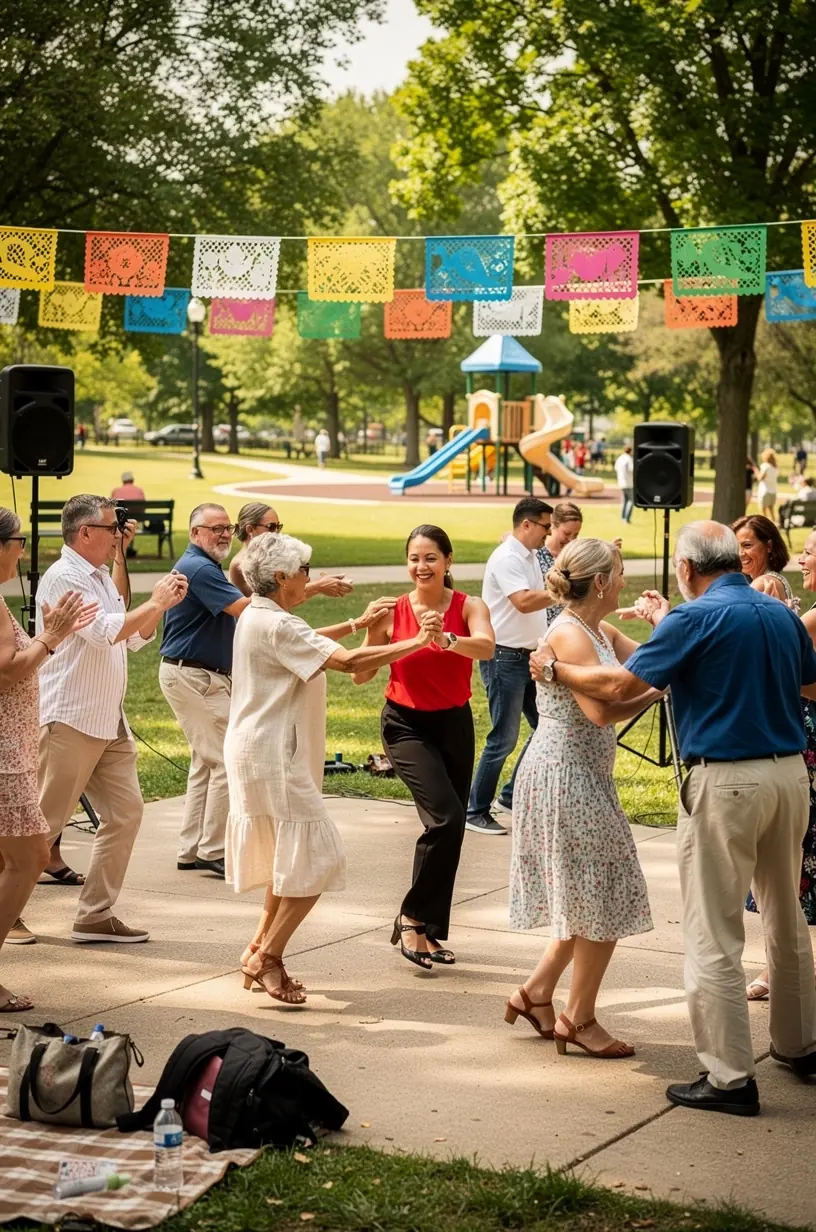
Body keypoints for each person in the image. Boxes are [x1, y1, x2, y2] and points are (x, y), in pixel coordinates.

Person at [533, 521, 816, 1115]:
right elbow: (811, 685)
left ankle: (729, 1078)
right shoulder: (780, 613)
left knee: (713, 929)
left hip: (728, 780)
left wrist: (556, 670)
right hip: (790, 775)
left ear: (686, 568)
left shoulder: (693, 618)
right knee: (786, 918)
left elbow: (618, 685)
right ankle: (800, 1045)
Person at [226, 532, 436, 1005]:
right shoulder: (278, 624)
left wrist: (358, 622)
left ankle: (257, 949)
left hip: (257, 750)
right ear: (281, 577)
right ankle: (269, 958)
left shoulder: (259, 614)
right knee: (317, 862)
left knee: (287, 862)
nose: (309, 578)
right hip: (274, 755)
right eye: (304, 571)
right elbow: (348, 662)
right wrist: (418, 641)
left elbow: (308, 642)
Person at [506, 539, 656, 1056]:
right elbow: (601, 711)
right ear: (601, 582)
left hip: (583, 774)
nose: (625, 581)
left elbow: (648, 661)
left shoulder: (599, 629)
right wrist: (659, 691)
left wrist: (665, 628)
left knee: (586, 894)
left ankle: (536, 994)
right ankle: (579, 1019)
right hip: (564, 776)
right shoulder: (569, 635)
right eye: (620, 572)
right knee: (603, 897)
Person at [33, 495, 187, 944]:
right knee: (41, 825)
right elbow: (104, 633)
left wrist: (158, 606)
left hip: (108, 721)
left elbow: (132, 635)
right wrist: (155, 602)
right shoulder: (65, 578)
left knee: (125, 813)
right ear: (85, 533)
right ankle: (8, 909)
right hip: (71, 718)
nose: (118, 534)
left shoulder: (99, 574)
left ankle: (94, 914)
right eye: (110, 528)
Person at [352, 525, 494, 968]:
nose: (421, 566)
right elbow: (359, 675)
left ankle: (428, 929)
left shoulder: (469, 606)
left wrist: (445, 639)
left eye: (431, 557)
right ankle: (412, 917)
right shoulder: (391, 611)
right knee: (446, 818)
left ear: (448, 561)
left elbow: (486, 648)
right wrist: (374, 632)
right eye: (414, 558)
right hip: (405, 725)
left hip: (454, 724)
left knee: (450, 829)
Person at [0, 509, 98, 1004]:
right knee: (32, 857)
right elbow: (7, 671)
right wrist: (50, 637)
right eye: (19, 541)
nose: (23, 551)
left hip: (12, 746)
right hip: (5, 755)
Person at [159, 505, 252, 879]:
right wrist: (299, 591)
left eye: (228, 527)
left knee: (204, 763)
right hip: (195, 677)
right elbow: (244, 608)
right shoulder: (199, 568)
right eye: (216, 528)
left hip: (193, 674)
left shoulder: (202, 565)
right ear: (195, 532)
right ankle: (213, 850)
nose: (225, 534)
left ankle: (191, 848)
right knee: (229, 760)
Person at [744, 527, 816, 1002]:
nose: (802, 560)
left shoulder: (812, 618)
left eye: (809, 553)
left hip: (807, 749)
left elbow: (778, 665)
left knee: (791, 861)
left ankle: (780, 969)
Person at [466, 498, 553, 835]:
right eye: (545, 526)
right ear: (527, 524)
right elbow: (523, 601)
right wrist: (565, 592)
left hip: (527, 656)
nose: (548, 533)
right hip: (503, 657)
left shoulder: (527, 555)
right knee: (503, 737)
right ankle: (475, 810)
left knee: (545, 725)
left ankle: (510, 795)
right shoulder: (507, 558)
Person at [229, 503, 354, 600]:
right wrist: (319, 586)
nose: (276, 532)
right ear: (250, 529)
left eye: (278, 527)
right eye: (271, 527)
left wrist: (322, 584)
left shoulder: (266, 555)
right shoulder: (241, 564)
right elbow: (273, 600)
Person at [732, 514, 797, 609]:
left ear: (769, 546)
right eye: (736, 547)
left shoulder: (761, 584)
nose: (740, 553)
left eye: (747, 545)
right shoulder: (773, 579)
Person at [536, 502, 582, 628]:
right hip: (539, 626)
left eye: (576, 535)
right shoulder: (536, 553)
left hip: (568, 625)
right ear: (552, 525)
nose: (571, 539)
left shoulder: (574, 554)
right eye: (567, 533)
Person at [755, 448, 779, 523]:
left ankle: (764, 526)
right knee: (771, 511)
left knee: (763, 512)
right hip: (773, 492)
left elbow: (760, 478)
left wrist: (755, 470)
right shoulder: (775, 467)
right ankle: (775, 524)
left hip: (765, 491)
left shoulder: (765, 466)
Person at [615, 446, 634, 523]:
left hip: (621, 482)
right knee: (631, 501)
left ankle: (623, 517)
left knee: (625, 501)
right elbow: (632, 469)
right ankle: (627, 518)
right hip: (629, 483)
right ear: (630, 451)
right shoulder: (629, 459)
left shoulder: (620, 458)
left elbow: (616, 468)